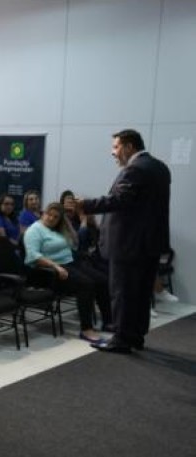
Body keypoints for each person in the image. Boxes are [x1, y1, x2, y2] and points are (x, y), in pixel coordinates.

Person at [77, 129, 171, 352]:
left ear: (129, 147)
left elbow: (120, 200)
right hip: (150, 243)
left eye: (116, 147)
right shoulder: (160, 167)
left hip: (128, 244)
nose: (113, 153)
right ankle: (135, 336)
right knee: (140, 293)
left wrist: (86, 204)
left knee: (122, 293)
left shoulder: (135, 168)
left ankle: (121, 339)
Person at [23, 202, 111, 344]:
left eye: (56, 217)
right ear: (43, 213)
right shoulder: (34, 230)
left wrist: (66, 223)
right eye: (49, 215)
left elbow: (74, 242)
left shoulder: (57, 229)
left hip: (69, 263)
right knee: (86, 284)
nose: (51, 218)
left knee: (102, 280)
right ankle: (86, 329)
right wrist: (56, 267)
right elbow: (33, 256)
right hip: (49, 272)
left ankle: (108, 321)